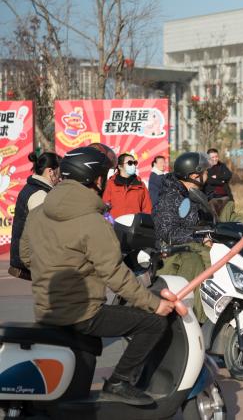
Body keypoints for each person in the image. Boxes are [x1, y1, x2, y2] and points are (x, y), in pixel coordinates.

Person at [20, 145, 174, 405]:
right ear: (97, 180)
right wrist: (154, 304)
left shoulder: (37, 214)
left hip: (46, 310)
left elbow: (26, 256)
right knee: (153, 324)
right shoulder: (93, 222)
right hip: (84, 314)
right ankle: (118, 383)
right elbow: (115, 275)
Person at [153, 152, 213, 322]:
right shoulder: (171, 197)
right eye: (205, 171)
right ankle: (196, 318)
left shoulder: (191, 194)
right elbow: (168, 232)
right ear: (194, 176)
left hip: (187, 247)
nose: (208, 175)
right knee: (197, 263)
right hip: (172, 254)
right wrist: (200, 238)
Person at [9, 152, 62, 280]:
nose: (61, 177)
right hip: (33, 259)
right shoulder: (39, 195)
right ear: (50, 171)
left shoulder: (32, 187)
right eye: (60, 172)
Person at [102, 153, 152, 219]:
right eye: (130, 163)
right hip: (115, 223)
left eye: (135, 163)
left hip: (135, 224)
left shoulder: (141, 185)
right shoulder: (111, 183)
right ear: (120, 166)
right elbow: (105, 206)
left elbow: (147, 209)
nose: (133, 165)